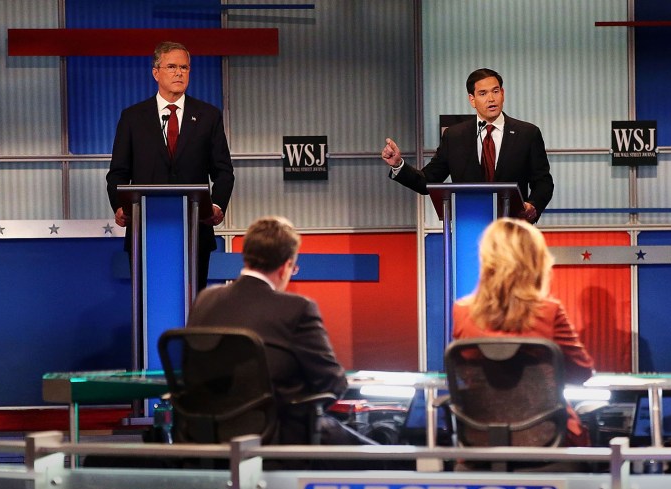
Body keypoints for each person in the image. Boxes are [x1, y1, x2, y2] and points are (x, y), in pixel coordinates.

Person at [186, 216, 378, 453]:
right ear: (286, 266)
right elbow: (331, 383)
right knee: (382, 457)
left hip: (206, 435)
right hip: (277, 437)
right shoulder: (297, 309)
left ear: (246, 257)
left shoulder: (205, 300)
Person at [452, 217, 594, 446]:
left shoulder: (461, 311)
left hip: (480, 438)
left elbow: (466, 375)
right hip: (546, 438)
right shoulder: (549, 310)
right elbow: (581, 372)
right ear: (536, 262)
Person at [107, 41, 235, 292]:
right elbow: (118, 172)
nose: (179, 73)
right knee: (149, 294)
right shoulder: (133, 117)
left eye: (185, 67)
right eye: (172, 66)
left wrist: (217, 205)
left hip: (195, 229)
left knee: (191, 296)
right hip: (146, 228)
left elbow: (223, 170)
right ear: (156, 72)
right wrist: (119, 205)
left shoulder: (208, 115)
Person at [381, 68, 554, 222]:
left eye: (495, 91)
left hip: (513, 227)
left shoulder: (527, 133)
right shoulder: (455, 136)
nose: (491, 98)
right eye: (483, 93)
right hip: (469, 224)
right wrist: (398, 165)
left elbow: (543, 181)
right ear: (472, 99)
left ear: (503, 94)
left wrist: (533, 205)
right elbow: (429, 180)